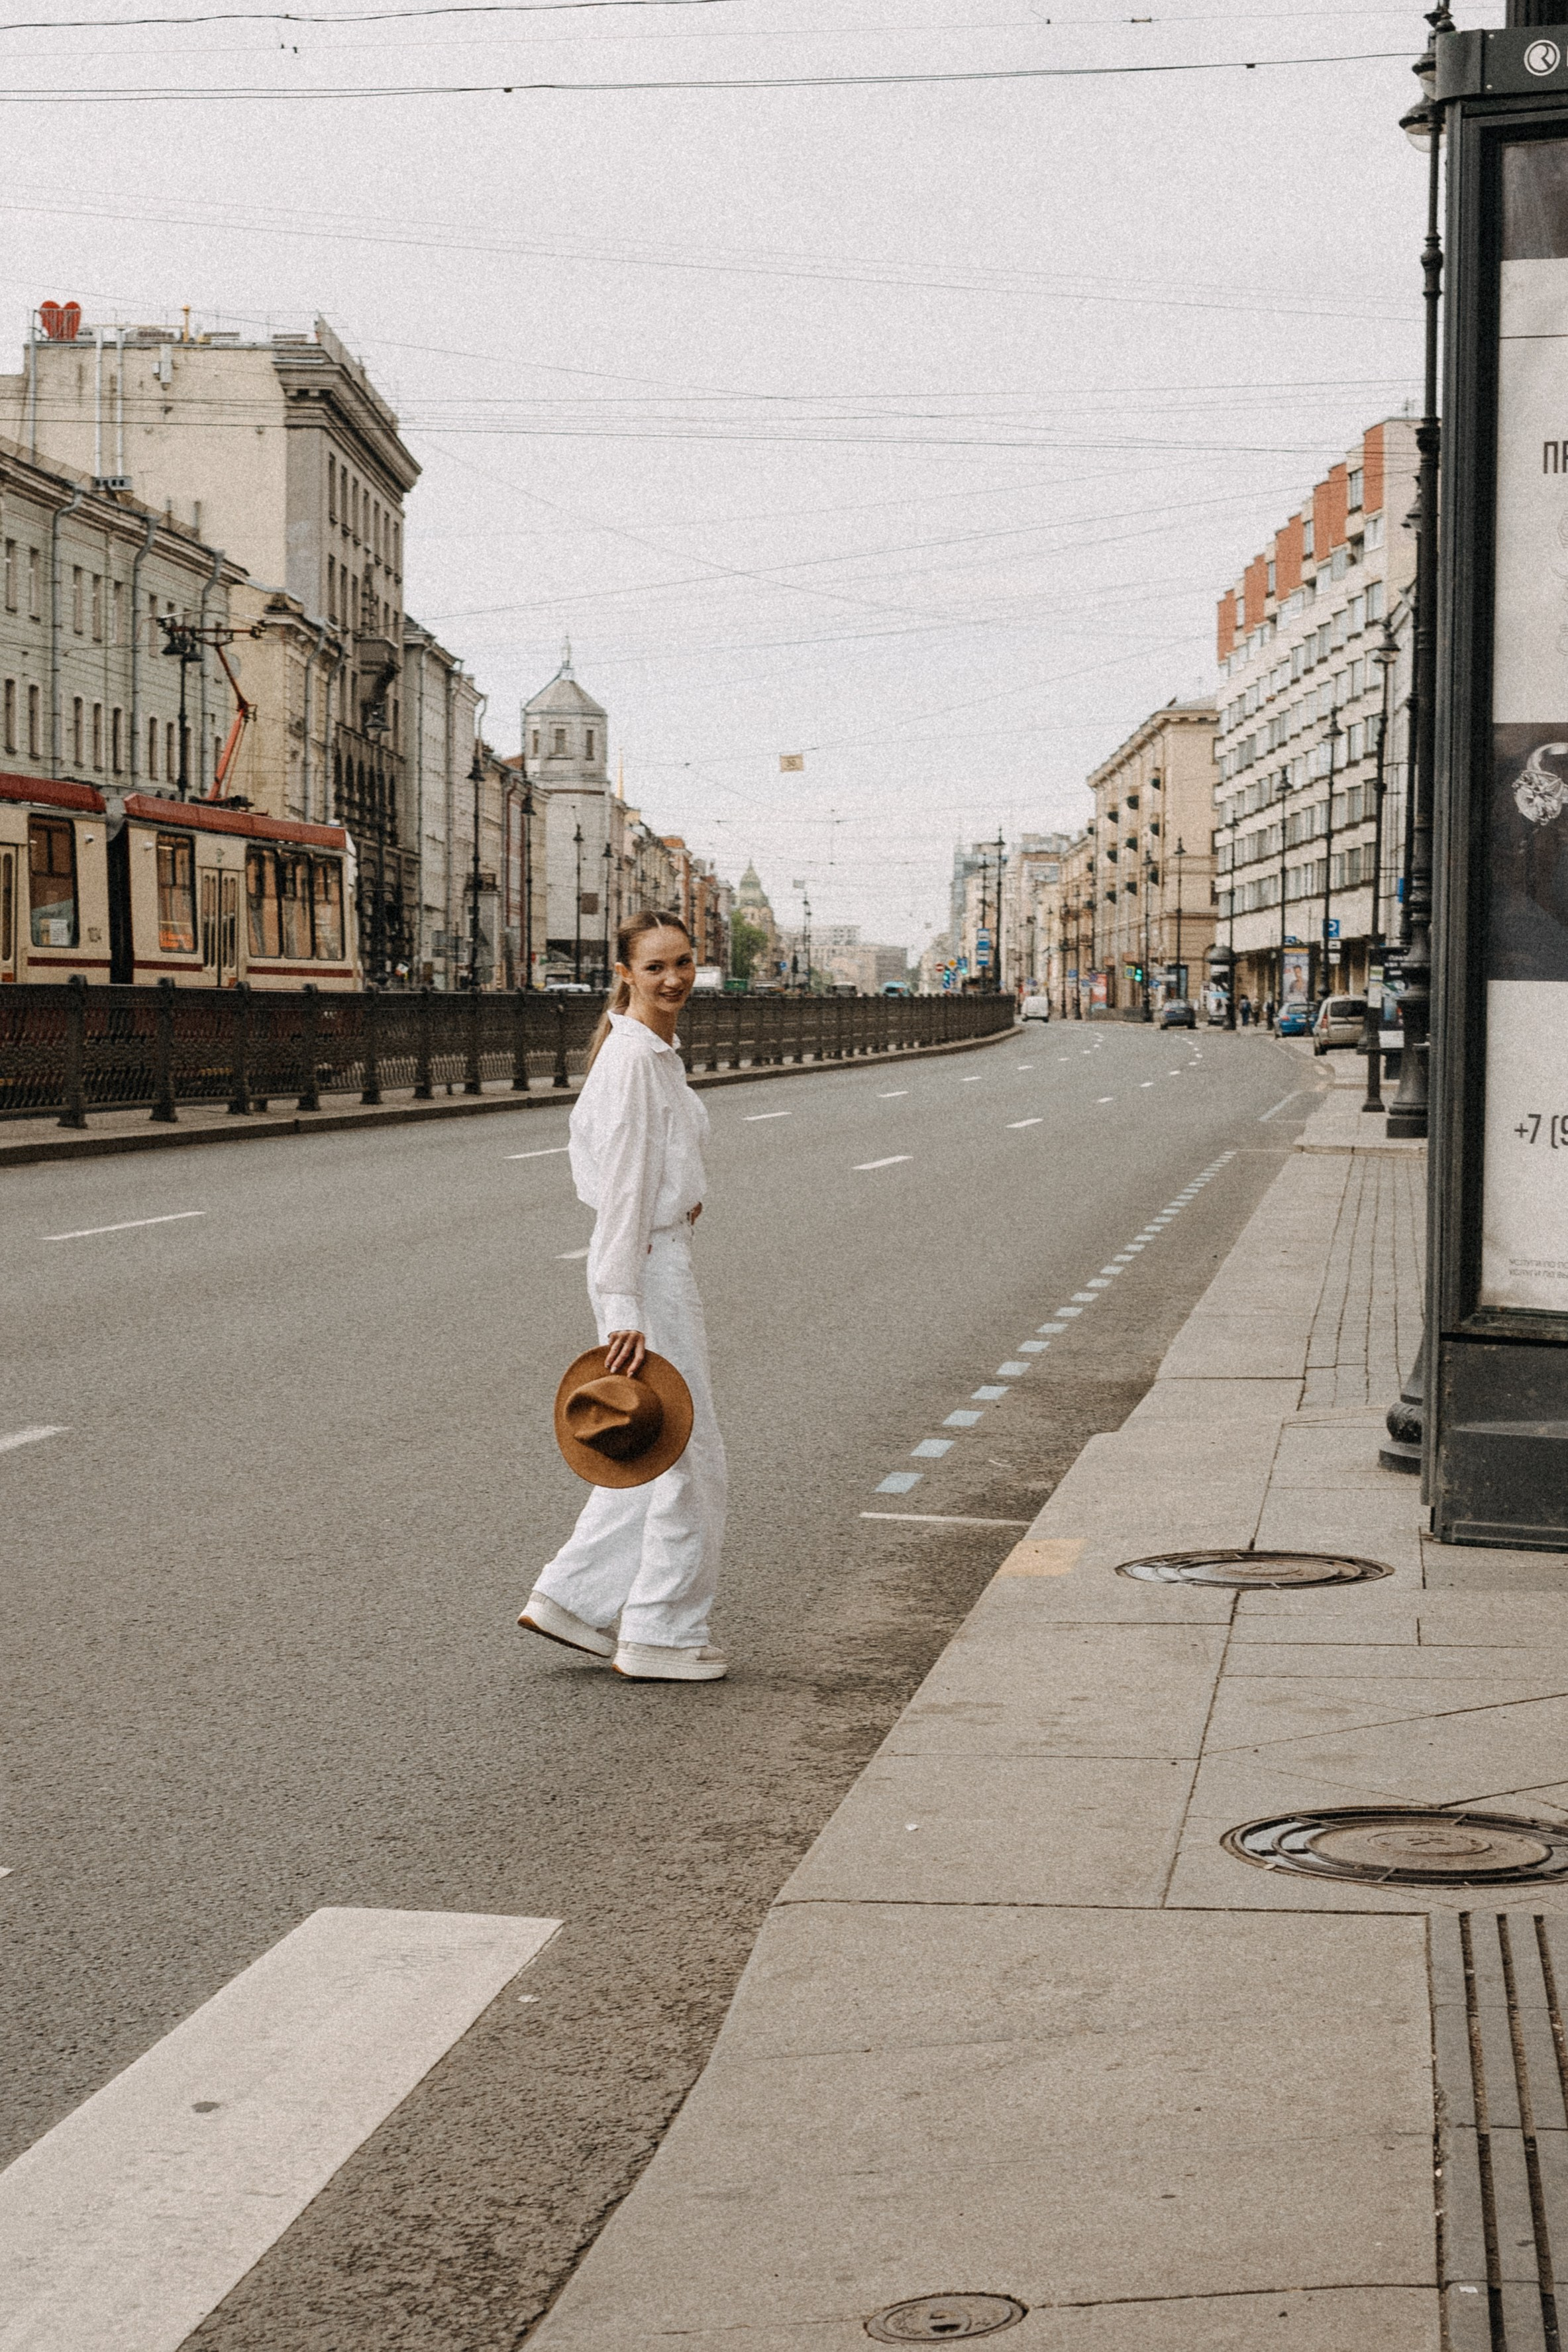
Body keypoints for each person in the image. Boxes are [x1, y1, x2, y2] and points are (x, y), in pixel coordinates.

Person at [519, 910, 728, 1683]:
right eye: (656, 967)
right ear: (626, 974)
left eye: (683, 963)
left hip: (655, 1253)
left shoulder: (649, 1052)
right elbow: (624, 1196)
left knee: (652, 1443)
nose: (674, 979)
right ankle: (662, 1631)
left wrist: (683, 1197)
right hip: (647, 1269)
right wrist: (623, 1309)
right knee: (689, 1458)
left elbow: (644, 1174)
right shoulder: (638, 1061)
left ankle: (573, 1599)